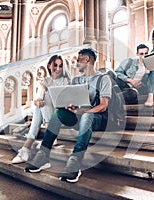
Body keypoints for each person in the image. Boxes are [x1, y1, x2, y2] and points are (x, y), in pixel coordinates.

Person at [24, 48, 112, 183]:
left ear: (87, 60)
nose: (76, 63)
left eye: (78, 60)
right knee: (58, 112)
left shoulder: (103, 78)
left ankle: (75, 160)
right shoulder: (76, 80)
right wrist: (71, 107)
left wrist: (85, 112)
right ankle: (43, 154)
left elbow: (103, 105)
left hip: (96, 118)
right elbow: (73, 103)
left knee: (86, 116)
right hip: (78, 117)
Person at [12, 55, 71, 164]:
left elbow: (66, 101)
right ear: (49, 65)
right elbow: (38, 99)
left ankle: (26, 148)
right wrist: (38, 101)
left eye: (60, 66)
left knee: (44, 101)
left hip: (61, 113)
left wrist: (42, 100)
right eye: (55, 65)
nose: (58, 69)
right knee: (40, 105)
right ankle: (28, 147)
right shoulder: (46, 80)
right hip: (47, 112)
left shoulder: (66, 81)